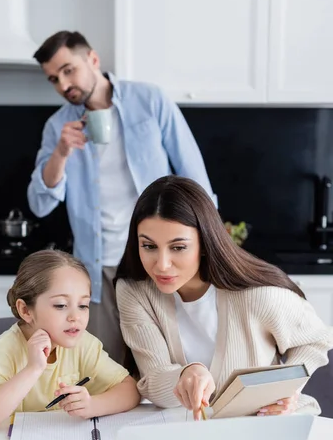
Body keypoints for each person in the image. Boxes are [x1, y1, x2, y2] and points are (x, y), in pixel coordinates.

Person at [27, 30, 216, 365]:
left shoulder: (150, 101)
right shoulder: (58, 127)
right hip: (98, 268)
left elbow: (194, 173)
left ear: (93, 59)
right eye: (54, 79)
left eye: (69, 70)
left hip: (156, 261)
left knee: (168, 363)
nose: (63, 84)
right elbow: (40, 204)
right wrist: (61, 152)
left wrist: (209, 245)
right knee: (107, 367)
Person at [115, 175, 333, 420]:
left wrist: (287, 389)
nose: (162, 265)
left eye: (178, 247)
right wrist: (187, 374)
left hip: (263, 429)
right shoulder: (135, 291)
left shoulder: (258, 296)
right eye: (149, 246)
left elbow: (317, 339)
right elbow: (155, 385)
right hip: (184, 433)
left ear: (205, 244)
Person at [0, 250, 140, 435]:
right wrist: (33, 369)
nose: (75, 317)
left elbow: (130, 390)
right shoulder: (4, 350)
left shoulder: (83, 344)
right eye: (60, 305)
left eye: (83, 305)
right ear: (26, 310)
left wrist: (92, 405)